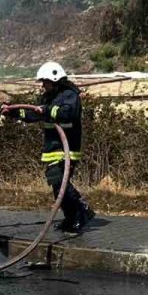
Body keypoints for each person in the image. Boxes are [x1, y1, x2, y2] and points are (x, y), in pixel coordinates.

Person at [10, 61, 95, 233]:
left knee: (59, 181)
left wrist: (47, 111)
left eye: (45, 82)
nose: (43, 86)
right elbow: (33, 113)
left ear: (55, 80)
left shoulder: (70, 95)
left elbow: (66, 113)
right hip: (53, 148)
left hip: (67, 148)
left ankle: (81, 212)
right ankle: (72, 217)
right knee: (58, 187)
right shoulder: (48, 97)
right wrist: (12, 112)